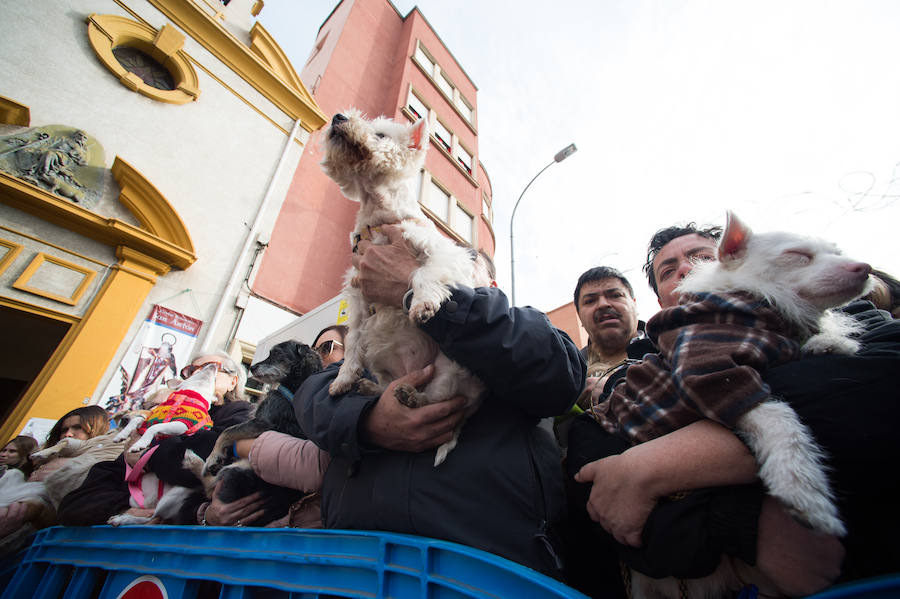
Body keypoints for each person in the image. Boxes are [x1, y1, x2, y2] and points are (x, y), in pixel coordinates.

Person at [571, 221, 899, 595]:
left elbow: (887, 381)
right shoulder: (633, 381)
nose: (687, 268)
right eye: (668, 269)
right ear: (661, 301)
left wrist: (657, 464)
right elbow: (606, 505)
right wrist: (744, 525)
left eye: (702, 257)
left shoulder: (838, 319)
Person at [295, 224, 584, 578]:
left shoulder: (522, 326)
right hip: (359, 565)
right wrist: (367, 420)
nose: (436, 268)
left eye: (457, 262)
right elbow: (314, 396)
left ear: (492, 287)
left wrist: (422, 292)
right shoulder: (388, 338)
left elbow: (560, 373)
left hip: (483, 571)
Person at [57, 351, 252, 526]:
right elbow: (76, 504)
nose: (196, 373)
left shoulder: (240, 415)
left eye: (211, 368)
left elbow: (204, 459)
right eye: (190, 370)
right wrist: (121, 509)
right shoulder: (160, 416)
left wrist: (147, 454)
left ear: (232, 382)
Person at [0, 406, 114, 554]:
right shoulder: (44, 460)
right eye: (63, 430)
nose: (68, 434)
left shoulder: (104, 457)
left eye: (77, 428)